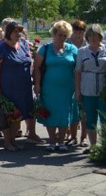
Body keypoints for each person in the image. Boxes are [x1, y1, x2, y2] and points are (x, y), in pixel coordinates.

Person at [75, 24, 106, 154]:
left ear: (100, 36)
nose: (92, 38)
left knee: (105, 117)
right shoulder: (82, 51)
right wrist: (77, 91)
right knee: (90, 117)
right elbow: (77, 72)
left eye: (95, 35)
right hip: (87, 88)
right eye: (89, 36)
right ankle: (93, 146)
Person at [33, 21, 78, 153]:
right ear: (54, 34)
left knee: (65, 114)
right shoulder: (45, 48)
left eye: (65, 35)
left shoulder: (72, 49)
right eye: (59, 35)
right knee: (50, 114)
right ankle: (52, 141)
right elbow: (36, 67)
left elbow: (78, 69)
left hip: (67, 89)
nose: (62, 37)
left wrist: (78, 87)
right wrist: (37, 84)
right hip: (49, 88)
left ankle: (61, 141)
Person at [0, 21, 34, 151]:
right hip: (8, 87)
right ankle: (7, 141)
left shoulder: (23, 45)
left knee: (19, 114)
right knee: (9, 114)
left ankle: (13, 140)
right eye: (16, 31)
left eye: (20, 31)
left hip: (24, 87)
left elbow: (29, 61)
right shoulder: (1, 48)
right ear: (9, 33)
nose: (19, 34)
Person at [67, 20, 88, 147]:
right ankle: (72, 135)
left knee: (84, 110)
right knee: (72, 109)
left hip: (85, 81)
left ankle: (84, 137)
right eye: (76, 31)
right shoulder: (67, 44)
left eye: (81, 31)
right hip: (69, 80)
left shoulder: (87, 44)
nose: (78, 34)